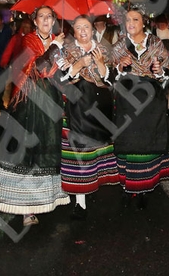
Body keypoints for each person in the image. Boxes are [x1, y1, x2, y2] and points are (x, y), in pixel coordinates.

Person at [0, 6, 70, 226]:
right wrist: (54, 47)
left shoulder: (60, 40)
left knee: (49, 150)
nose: (46, 20)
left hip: (52, 103)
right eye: (42, 16)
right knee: (28, 152)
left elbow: (62, 74)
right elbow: (37, 66)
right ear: (35, 21)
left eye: (50, 16)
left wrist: (69, 67)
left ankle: (48, 200)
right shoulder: (29, 40)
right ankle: (26, 210)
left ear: (54, 20)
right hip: (30, 104)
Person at [58, 15, 119, 220]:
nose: (82, 30)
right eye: (78, 27)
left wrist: (101, 65)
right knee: (80, 153)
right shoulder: (66, 50)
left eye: (86, 26)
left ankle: (96, 184)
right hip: (78, 107)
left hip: (100, 107)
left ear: (93, 30)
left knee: (97, 151)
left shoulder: (104, 48)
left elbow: (111, 79)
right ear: (73, 31)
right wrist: (77, 65)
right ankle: (80, 201)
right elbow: (61, 79)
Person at [112, 6, 169, 209]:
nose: (130, 24)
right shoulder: (120, 45)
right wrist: (120, 65)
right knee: (128, 143)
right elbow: (110, 75)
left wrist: (159, 69)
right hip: (127, 102)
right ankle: (128, 187)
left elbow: (166, 74)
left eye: (135, 20)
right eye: (128, 20)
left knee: (146, 143)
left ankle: (145, 187)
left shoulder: (155, 43)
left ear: (143, 22)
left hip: (150, 103)